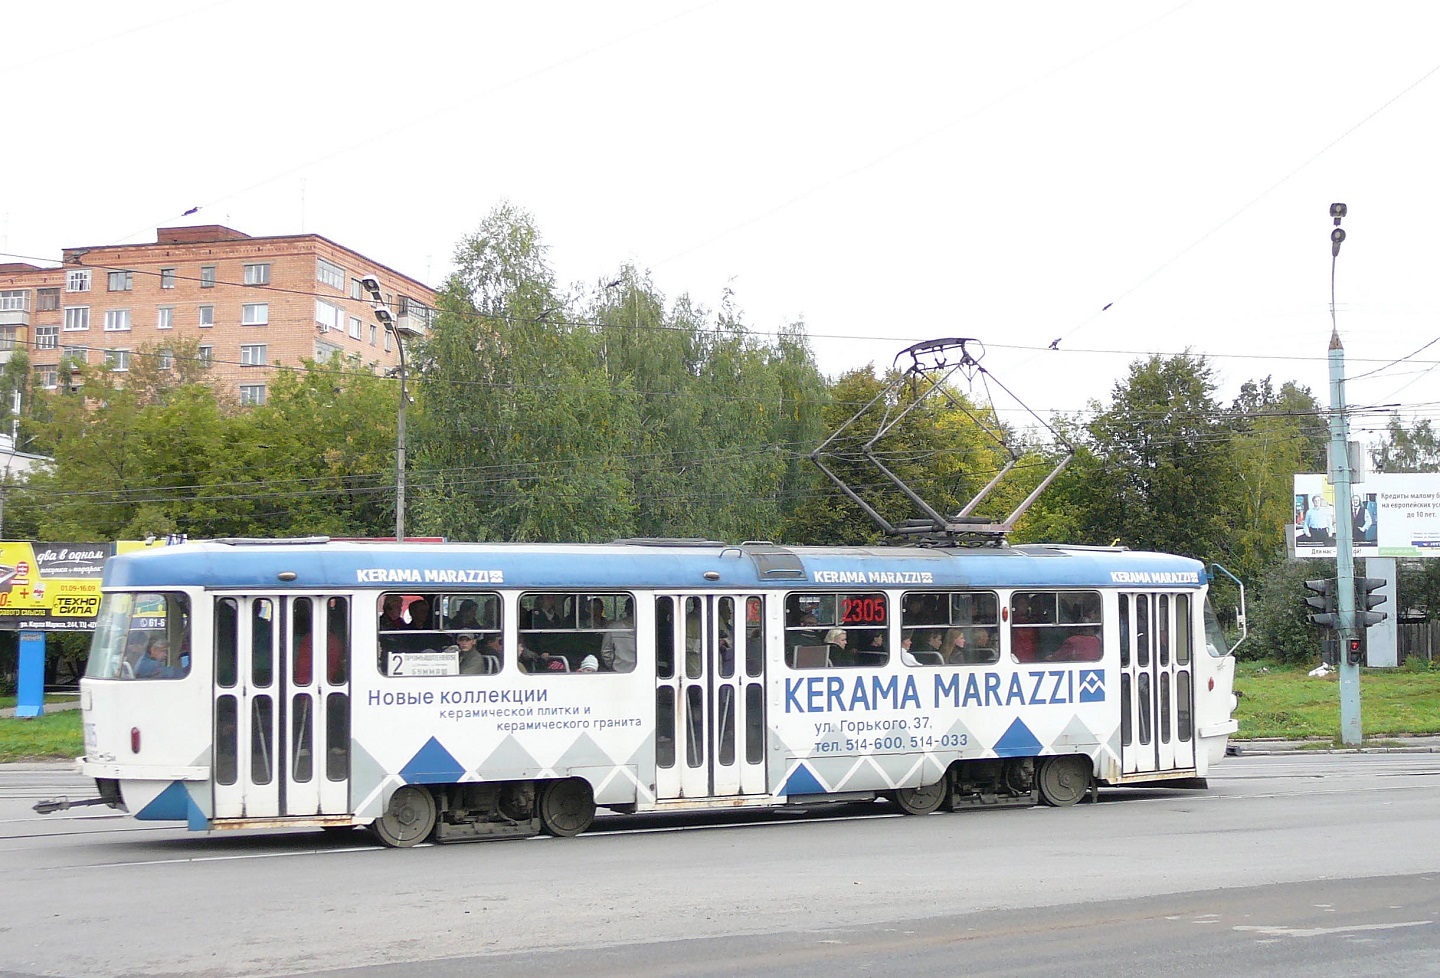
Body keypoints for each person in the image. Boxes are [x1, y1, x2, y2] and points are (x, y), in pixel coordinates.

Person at [601, 597, 637, 673]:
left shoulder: (614, 627)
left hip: (619, 670)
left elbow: (606, 652)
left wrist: (612, 665)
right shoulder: (649, 626)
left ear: (626, 610)